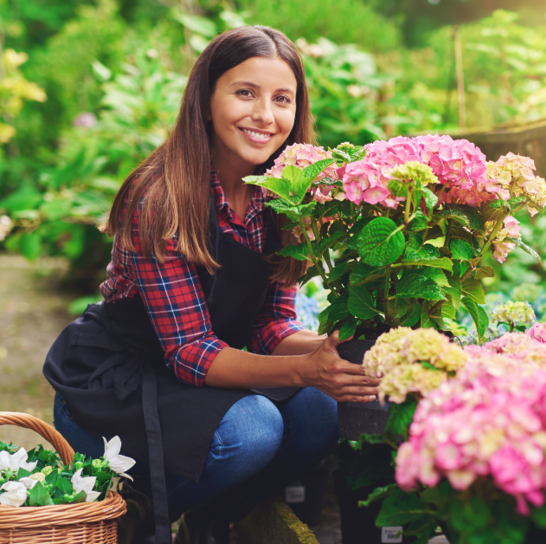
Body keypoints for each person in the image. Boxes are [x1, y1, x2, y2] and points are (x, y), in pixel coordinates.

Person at [42, 26, 380, 544]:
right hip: (120, 386)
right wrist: (306, 370)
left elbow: (270, 326)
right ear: (204, 100)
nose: (265, 115)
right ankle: (122, 522)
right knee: (253, 429)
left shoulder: (281, 195)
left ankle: (213, 517)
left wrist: (337, 356)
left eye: (281, 99)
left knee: (323, 406)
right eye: (245, 93)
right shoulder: (160, 197)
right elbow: (190, 351)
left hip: (194, 378)